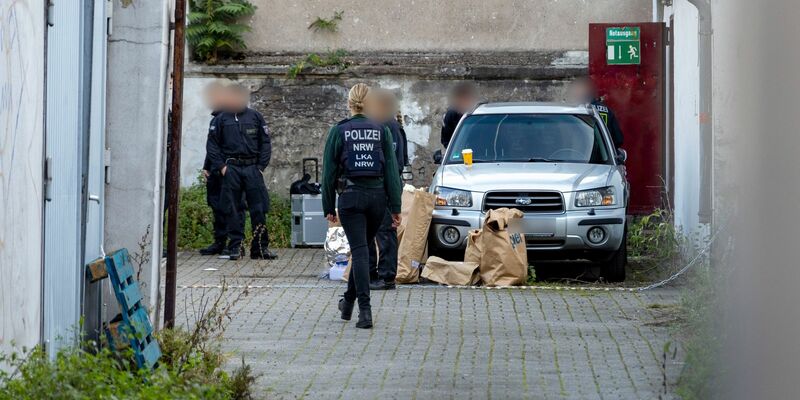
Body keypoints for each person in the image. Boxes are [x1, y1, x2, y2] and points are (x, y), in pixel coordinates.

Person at [321, 83, 402, 329]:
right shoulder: (381, 130)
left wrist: (328, 206)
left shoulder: (340, 131)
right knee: (362, 249)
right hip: (377, 199)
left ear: (349, 103)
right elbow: (391, 172)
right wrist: (396, 206)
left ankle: (364, 312)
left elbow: (328, 173)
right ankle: (347, 303)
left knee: (360, 251)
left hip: (351, 199)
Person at [206, 83, 278, 261]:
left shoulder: (255, 117)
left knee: (259, 209)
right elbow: (212, 146)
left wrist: (261, 167)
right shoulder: (220, 119)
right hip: (232, 169)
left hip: (252, 168)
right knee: (233, 209)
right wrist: (222, 167)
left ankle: (260, 248)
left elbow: (265, 143)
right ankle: (236, 247)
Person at [364, 88, 408, 291]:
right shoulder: (377, 125)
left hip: (386, 186)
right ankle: (371, 273)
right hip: (376, 186)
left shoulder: (390, 127)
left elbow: (396, 163)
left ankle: (387, 276)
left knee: (385, 231)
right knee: (371, 231)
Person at [568, 76, 624, 149]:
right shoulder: (606, 110)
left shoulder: (576, 111)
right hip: (603, 157)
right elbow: (618, 140)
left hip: (582, 154)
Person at [441, 82, 478, 148]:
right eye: (462, 99)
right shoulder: (451, 115)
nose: (464, 102)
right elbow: (445, 140)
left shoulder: (477, 114)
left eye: (467, 99)